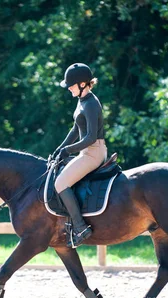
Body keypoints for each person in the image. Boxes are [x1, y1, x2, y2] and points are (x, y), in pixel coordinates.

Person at [52, 63, 107, 248]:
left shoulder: (91, 103)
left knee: (60, 183)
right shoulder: (81, 100)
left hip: (94, 152)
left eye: (71, 85)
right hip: (86, 151)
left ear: (83, 84)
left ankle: (81, 227)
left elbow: (91, 137)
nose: (68, 88)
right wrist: (60, 148)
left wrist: (69, 150)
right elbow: (76, 129)